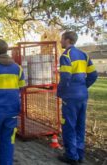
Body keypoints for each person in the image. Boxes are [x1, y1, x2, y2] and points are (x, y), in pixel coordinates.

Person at [57, 31, 98, 165]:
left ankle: (71, 156)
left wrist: (60, 92)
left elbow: (65, 77)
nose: (61, 41)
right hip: (82, 96)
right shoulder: (84, 55)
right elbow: (93, 75)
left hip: (70, 96)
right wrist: (83, 86)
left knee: (69, 125)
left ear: (67, 40)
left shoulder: (66, 55)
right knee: (80, 125)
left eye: (62, 39)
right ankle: (79, 154)